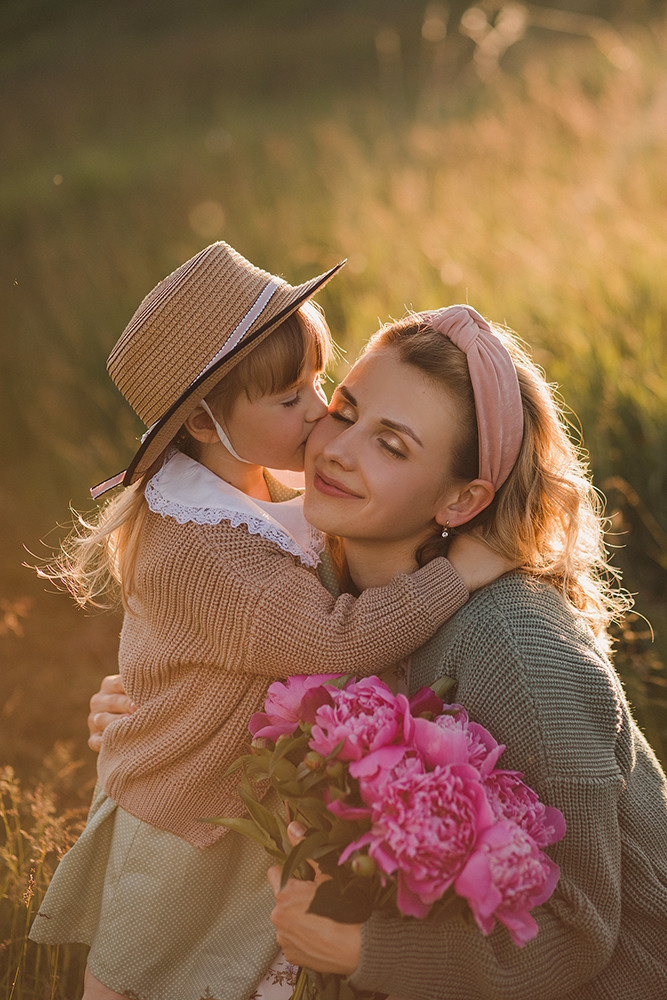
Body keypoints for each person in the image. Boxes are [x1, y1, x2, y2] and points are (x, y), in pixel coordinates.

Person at [30, 245, 502, 1000]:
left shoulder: (259, 484)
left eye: (318, 379)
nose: (319, 408)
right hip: (187, 811)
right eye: (290, 398)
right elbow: (333, 636)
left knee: (230, 968)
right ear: (206, 421)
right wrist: (454, 576)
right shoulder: (208, 547)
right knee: (144, 966)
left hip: (232, 789)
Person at [265, 306, 667, 999]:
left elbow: (579, 926)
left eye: (390, 446)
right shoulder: (313, 580)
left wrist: (364, 949)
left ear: (459, 500)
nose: (336, 449)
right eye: (344, 410)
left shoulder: (517, 649)